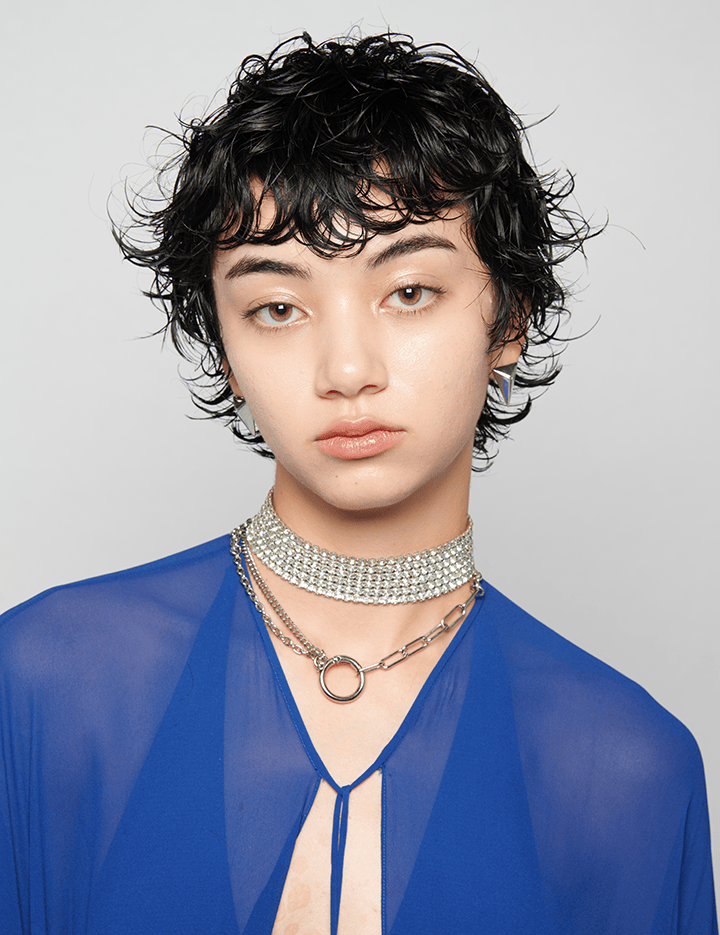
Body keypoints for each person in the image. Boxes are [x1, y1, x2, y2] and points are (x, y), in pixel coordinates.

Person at [0, 32, 716, 935]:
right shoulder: (42, 683)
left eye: (409, 291)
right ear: (224, 350)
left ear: (510, 319)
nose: (346, 370)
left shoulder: (629, 767)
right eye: (277, 306)